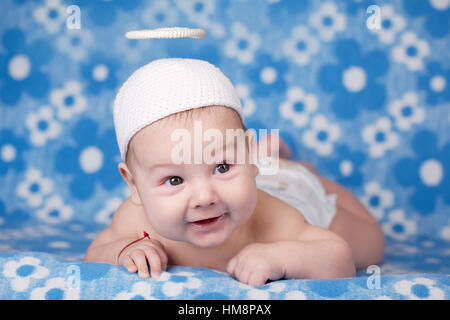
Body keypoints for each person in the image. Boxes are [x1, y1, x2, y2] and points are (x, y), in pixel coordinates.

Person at [84, 58, 384, 286]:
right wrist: (122, 251)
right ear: (134, 184)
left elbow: (339, 259)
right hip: (254, 173)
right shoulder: (135, 221)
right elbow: (96, 251)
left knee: (370, 246)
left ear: (247, 155)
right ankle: (266, 157)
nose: (204, 197)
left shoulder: (273, 218)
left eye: (222, 166)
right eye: (174, 179)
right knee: (257, 171)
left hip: (292, 192)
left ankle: (297, 170)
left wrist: (281, 257)